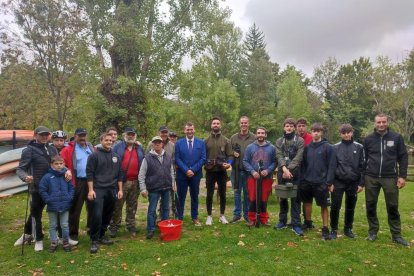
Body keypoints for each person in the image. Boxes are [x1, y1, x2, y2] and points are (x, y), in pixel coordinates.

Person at [15, 126, 69, 251]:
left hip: (53, 188)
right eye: (41, 135)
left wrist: (68, 170)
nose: (44, 137)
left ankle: (61, 237)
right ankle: (38, 239)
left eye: (46, 135)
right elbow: (20, 169)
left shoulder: (52, 148)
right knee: (36, 215)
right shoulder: (29, 150)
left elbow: (59, 164)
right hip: (37, 188)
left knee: (58, 211)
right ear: (35, 136)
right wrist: (25, 177)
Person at [363, 114, 409, 246]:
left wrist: (402, 176)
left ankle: (396, 235)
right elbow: (364, 160)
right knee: (370, 205)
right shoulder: (368, 139)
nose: (381, 124)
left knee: (393, 206)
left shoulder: (396, 138)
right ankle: (372, 232)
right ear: (374, 123)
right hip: (371, 177)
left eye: (383, 122)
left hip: (390, 177)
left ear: (387, 122)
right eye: (378, 122)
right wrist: (362, 179)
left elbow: (403, 157)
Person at [86, 133, 123, 254]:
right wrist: (91, 190)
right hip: (98, 189)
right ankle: (94, 240)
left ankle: (102, 235)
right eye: (106, 140)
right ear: (101, 140)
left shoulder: (116, 156)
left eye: (110, 140)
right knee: (97, 215)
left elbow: (119, 175)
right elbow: (89, 173)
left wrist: (120, 190)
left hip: (112, 189)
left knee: (107, 214)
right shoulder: (94, 155)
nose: (109, 142)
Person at [299, 123, 335, 240]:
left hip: (322, 182)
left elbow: (332, 165)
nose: (315, 133)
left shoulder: (328, 147)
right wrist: (303, 178)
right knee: (307, 202)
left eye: (318, 131)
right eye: (314, 131)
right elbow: (303, 165)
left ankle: (325, 228)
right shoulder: (307, 148)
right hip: (307, 181)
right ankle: (308, 222)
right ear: (311, 132)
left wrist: (329, 182)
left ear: (321, 133)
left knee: (324, 205)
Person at [330, 124, 364, 239]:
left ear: (352, 133)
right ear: (340, 134)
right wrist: (330, 183)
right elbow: (332, 166)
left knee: (350, 206)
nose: (346, 135)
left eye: (348, 132)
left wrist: (361, 183)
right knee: (335, 206)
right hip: (338, 182)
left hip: (353, 182)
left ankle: (348, 228)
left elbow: (362, 166)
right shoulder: (335, 147)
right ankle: (333, 229)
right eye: (344, 133)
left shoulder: (359, 147)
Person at [60, 128, 94, 245]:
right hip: (77, 181)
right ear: (75, 136)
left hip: (91, 181)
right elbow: (60, 163)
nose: (82, 138)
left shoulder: (90, 147)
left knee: (92, 206)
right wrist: (67, 170)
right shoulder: (68, 149)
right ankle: (73, 233)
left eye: (84, 135)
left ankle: (91, 228)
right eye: (80, 135)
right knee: (75, 208)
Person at [109, 127, 145, 237]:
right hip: (122, 182)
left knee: (132, 205)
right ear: (125, 135)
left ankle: (130, 224)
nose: (131, 136)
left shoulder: (139, 148)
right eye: (129, 134)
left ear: (135, 136)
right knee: (117, 205)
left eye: (132, 134)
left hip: (135, 182)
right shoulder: (117, 147)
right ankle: (114, 226)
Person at [139, 136, 175, 239]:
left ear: (162, 144)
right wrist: (143, 189)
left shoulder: (168, 156)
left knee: (166, 209)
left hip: (166, 187)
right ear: (152, 145)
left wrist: (173, 184)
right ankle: (151, 229)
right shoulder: (147, 158)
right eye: (155, 143)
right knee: (152, 209)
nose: (157, 144)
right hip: (153, 188)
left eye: (159, 142)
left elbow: (171, 171)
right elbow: (141, 175)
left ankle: (164, 228)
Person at [39, 155, 75, 253]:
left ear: (64, 164)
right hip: (52, 205)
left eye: (61, 163)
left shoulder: (67, 176)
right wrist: (48, 199)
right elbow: (42, 189)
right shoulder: (47, 177)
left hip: (65, 204)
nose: (59, 166)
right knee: (52, 225)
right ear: (52, 165)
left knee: (64, 225)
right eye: (56, 164)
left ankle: (65, 242)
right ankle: (53, 242)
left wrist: (69, 197)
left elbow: (72, 188)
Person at [275, 118, 305, 236]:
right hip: (282, 172)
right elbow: (279, 155)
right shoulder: (279, 141)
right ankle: (282, 221)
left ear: (294, 128)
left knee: (296, 199)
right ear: (284, 127)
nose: (289, 128)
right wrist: (284, 168)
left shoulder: (300, 140)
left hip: (295, 173)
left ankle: (296, 224)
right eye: (287, 126)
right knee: (282, 198)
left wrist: (289, 169)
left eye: (291, 126)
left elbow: (299, 156)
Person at [243, 127, 276, 226]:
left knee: (264, 198)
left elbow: (275, 162)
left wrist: (268, 170)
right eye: (259, 133)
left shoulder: (272, 148)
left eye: (262, 133)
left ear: (265, 135)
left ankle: (263, 219)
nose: (260, 135)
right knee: (252, 198)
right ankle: (252, 219)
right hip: (253, 177)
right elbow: (245, 161)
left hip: (266, 178)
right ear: (256, 134)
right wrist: (252, 171)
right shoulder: (250, 147)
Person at [175, 122, 206, 225]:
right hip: (181, 175)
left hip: (195, 174)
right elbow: (177, 158)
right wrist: (186, 170)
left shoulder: (201, 143)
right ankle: (179, 217)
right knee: (181, 197)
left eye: (191, 129)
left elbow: (203, 158)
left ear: (194, 130)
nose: (189, 131)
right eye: (187, 129)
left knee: (194, 196)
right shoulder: (179, 143)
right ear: (185, 131)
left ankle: (195, 217)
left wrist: (192, 170)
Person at [204, 117, 233, 225]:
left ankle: (222, 215)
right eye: (214, 123)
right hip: (210, 172)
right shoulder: (206, 141)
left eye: (217, 123)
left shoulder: (226, 140)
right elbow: (203, 156)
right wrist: (205, 164)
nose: (216, 125)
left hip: (222, 171)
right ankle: (209, 216)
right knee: (209, 194)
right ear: (211, 125)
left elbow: (230, 155)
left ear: (220, 125)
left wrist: (229, 163)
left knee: (223, 194)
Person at [229, 116, 256, 223]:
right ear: (239, 124)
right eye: (242, 123)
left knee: (247, 193)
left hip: (249, 171)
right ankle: (236, 214)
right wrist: (232, 155)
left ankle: (247, 214)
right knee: (236, 192)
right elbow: (229, 153)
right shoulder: (233, 138)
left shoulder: (253, 137)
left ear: (248, 124)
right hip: (236, 169)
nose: (243, 125)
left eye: (245, 123)